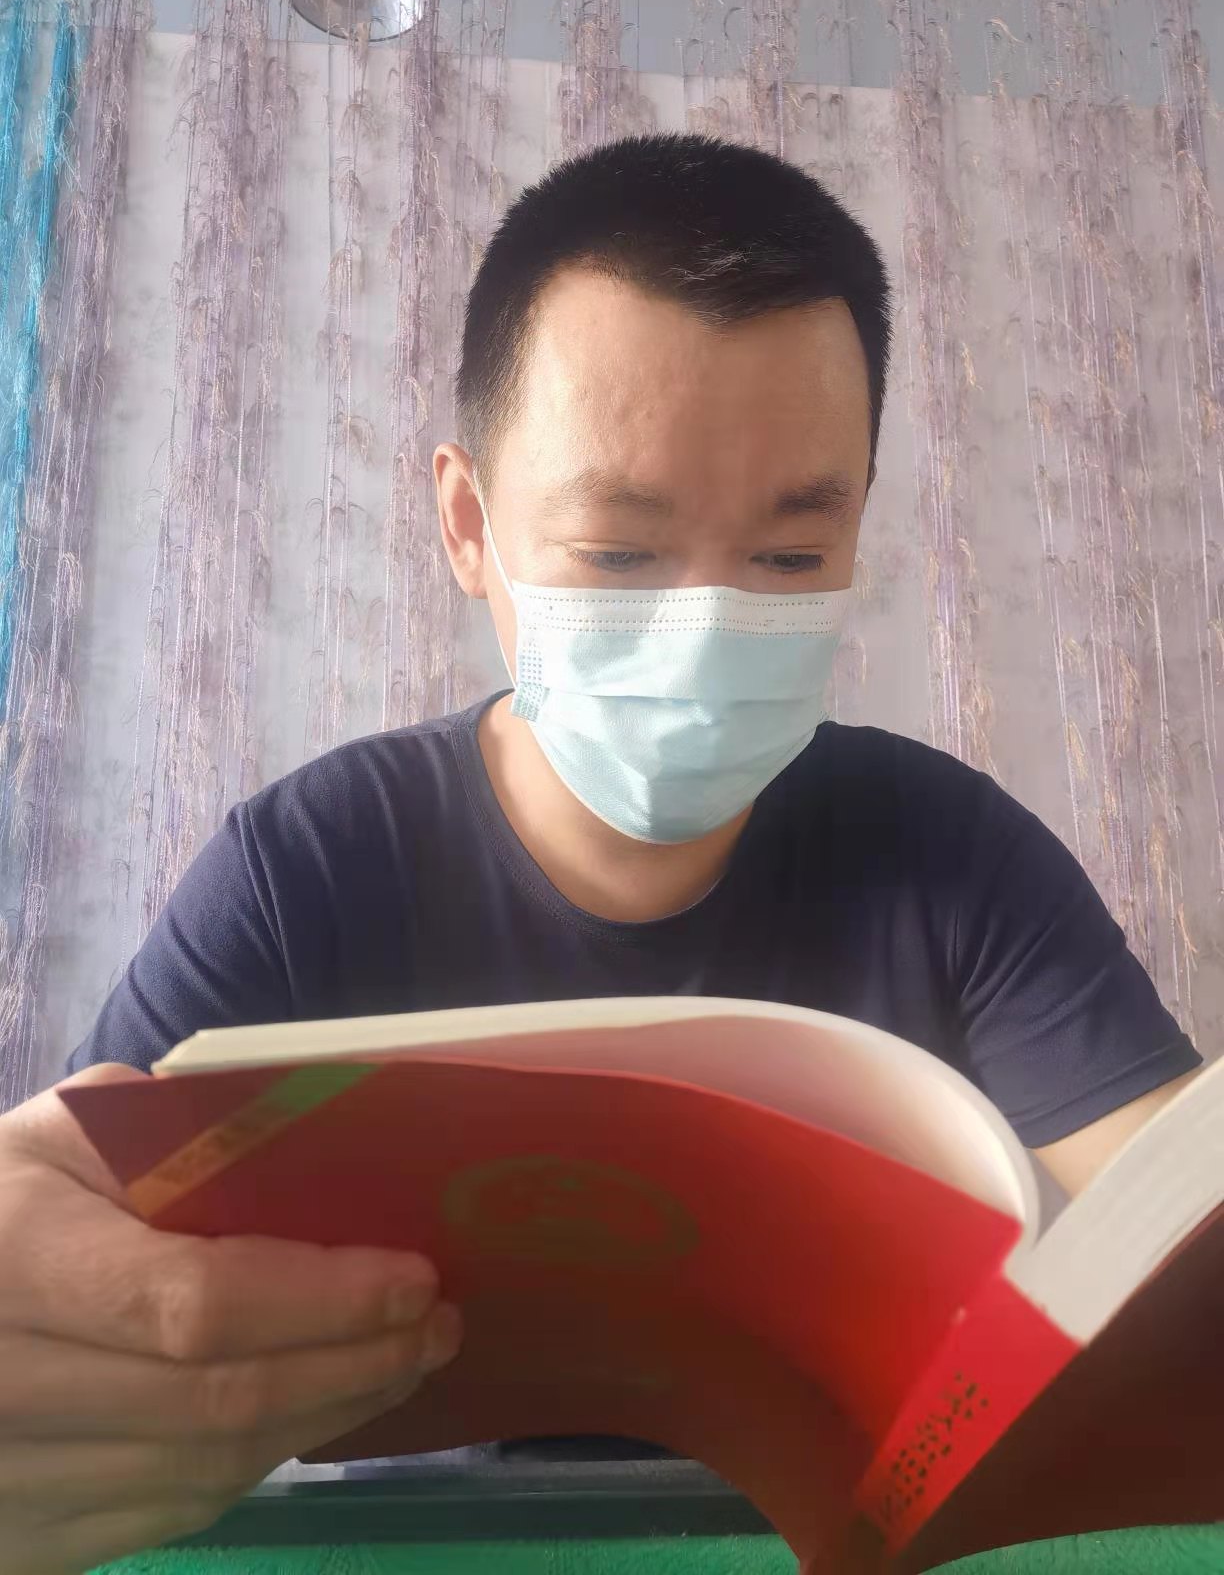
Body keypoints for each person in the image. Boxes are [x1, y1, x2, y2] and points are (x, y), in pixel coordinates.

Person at [1, 132, 1202, 1575]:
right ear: (470, 524)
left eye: (788, 558)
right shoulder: (306, 867)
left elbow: (1173, 1212)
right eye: (621, 556)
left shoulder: (956, 854)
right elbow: (74, 1224)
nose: (704, 633)